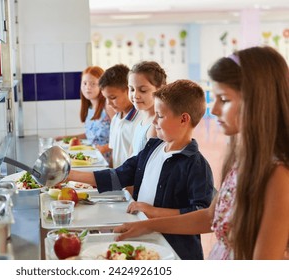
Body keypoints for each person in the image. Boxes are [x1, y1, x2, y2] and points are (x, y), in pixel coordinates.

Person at [113, 46, 289, 260]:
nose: (213, 111)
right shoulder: (243, 159)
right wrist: (147, 225)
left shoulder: (278, 174)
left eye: (224, 100)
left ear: (258, 101)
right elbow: (209, 216)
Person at [68, 79, 214, 259]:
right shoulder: (153, 147)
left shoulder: (197, 166)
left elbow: (200, 216)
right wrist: (69, 175)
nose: (154, 121)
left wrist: (152, 212)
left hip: (177, 253)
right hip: (146, 241)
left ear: (184, 119)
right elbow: (119, 176)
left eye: (160, 115)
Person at [55, 66, 114, 162]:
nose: (88, 87)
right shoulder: (90, 108)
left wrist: (104, 149)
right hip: (93, 158)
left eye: (93, 84)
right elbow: (91, 135)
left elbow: (121, 136)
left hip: (107, 160)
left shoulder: (109, 106)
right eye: (85, 83)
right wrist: (65, 138)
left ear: (102, 85)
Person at [98, 64, 144, 168]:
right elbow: (114, 154)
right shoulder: (116, 118)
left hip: (130, 182)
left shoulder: (140, 120)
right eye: (106, 98)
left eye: (113, 97)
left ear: (129, 90)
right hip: (118, 180)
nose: (109, 103)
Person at [128, 61, 167, 156]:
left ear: (160, 89)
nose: (135, 95)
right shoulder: (141, 120)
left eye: (143, 90)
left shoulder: (156, 125)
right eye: (132, 89)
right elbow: (130, 156)